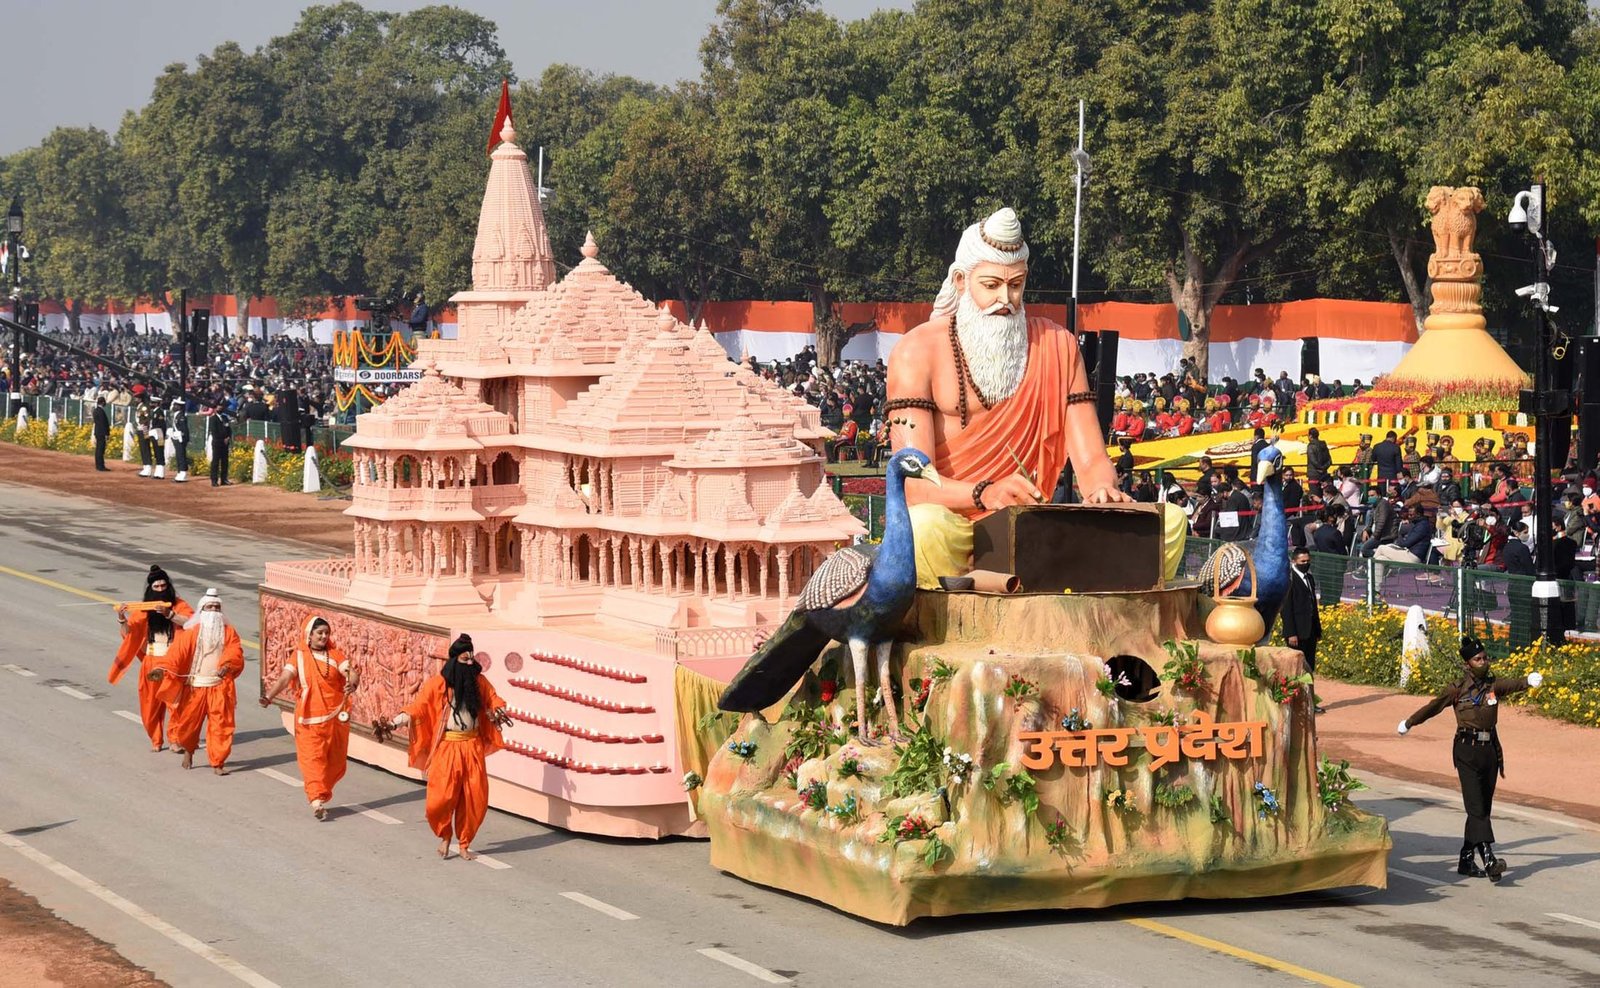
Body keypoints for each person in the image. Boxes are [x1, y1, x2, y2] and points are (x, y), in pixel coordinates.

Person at [884, 206, 1129, 587]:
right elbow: (914, 485)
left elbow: (1092, 458)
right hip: (954, 523)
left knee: (1165, 526)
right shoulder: (917, 352)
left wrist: (1103, 490)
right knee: (923, 528)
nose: (1007, 299)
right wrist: (986, 493)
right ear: (962, 282)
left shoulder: (1058, 346)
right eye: (992, 285)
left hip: (1028, 521)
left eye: (1016, 285)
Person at [1397, 636, 1543, 880]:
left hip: (1490, 752)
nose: (1483, 661)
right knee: (1476, 808)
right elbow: (1433, 707)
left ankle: (1466, 859)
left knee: (1481, 808)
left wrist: (1528, 681)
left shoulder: (1492, 685)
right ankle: (1489, 859)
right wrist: (1410, 722)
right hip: (1466, 750)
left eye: (1485, 657)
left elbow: (1513, 684)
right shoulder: (1456, 688)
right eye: (1478, 659)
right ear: (1467, 663)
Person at [375, 634, 513, 860]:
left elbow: (494, 700)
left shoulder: (479, 683)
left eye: (471, 660)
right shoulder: (439, 684)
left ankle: (464, 843)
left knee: (474, 798)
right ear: (454, 661)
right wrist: (393, 722)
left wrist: (498, 711)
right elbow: (417, 708)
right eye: (464, 660)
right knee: (439, 800)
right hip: (448, 747)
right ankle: (445, 834)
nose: (469, 664)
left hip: (472, 747)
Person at [261, 616, 359, 819]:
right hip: (309, 720)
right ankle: (317, 802)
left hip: (335, 718)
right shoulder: (298, 657)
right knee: (312, 760)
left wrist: (352, 682)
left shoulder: (334, 655)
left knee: (335, 762)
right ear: (309, 635)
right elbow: (285, 678)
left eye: (326, 633)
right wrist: (269, 696)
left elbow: (351, 672)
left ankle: (321, 793)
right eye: (319, 633)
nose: (324, 636)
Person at [155, 589, 245, 774]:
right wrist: (161, 667)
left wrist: (227, 665)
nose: (213, 611)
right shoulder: (191, 632)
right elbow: (176, 653)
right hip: (195, 686)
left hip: (218, 687)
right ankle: (189, 750)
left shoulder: (229, 632)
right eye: (210, 607)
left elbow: (235, 651)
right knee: (188, 725)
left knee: (221, 726)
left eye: (217, 607)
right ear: (202, 610)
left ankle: (218, 762)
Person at [108, 565, 196, 751]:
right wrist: (122, 618)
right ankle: (156, 740)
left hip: (173, 662)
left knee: (176, 702)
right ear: (150, 589)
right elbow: (128, 634)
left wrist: (170, 614)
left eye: (164, 586)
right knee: (150, 704)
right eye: (157, 587)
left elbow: (190, 623)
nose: (161, 590)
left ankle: (175, 739)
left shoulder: (179, 605)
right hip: (152, 661)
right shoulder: (143, 609)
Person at [1279, 546, 1325, 712]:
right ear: (1294, 561)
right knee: (1295, 668)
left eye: (1307, 561)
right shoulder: (1289, 580)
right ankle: (1293, 702)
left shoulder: (1309, 578)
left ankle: (1309, 703)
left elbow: (1313, 605)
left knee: (1309, 668)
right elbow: (1286, 608)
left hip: (1310, 630)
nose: (1305, 563)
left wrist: (1317, 629)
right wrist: (1291, 632)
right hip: (1296, 633)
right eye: (1302, 561)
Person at [208, 410, 233, 486]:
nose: (220, 408)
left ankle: (224, 479)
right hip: (217, 442)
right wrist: (222, 439)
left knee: (225, 461)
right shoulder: (213, 419)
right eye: (218, 406)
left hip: (225, 443)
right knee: (215, 461)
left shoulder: (225, 418)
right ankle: (214, 480)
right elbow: (214, 431)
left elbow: (229, 429)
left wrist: (228, 437)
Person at [169, 397, 190, 483]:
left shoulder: (181, 416)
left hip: (181, 438)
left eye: (175, 405)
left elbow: (183, 428)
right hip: (177, 437)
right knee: (178, 455)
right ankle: (180, 472)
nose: (174, 406)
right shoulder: (176, 415)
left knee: (181, 455)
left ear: (179, 407)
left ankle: (183, 473)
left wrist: (181, 435)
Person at [92, 396, 110, 471]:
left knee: (98, 449)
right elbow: (103, 423)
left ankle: (98, 465)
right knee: (100, 449)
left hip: (97, 431)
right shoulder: (101, 411)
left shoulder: (95, 410)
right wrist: (107, 433)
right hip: (101, 432)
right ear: (103, 402)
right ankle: (100, 466)